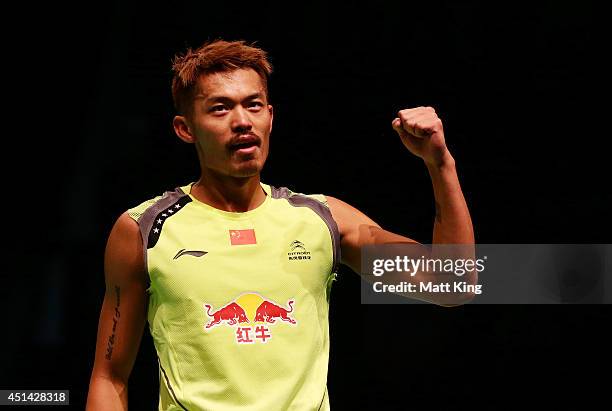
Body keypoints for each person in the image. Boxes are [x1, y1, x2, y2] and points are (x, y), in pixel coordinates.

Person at [86, 39, 475, 410]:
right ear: (185, 128)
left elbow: (453, 285)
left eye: (253, 105)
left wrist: (440, 164)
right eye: (220, 109)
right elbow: (110, 378)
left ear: (270, 117)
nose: (242, 121)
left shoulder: (323, 219)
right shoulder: (143, 228)